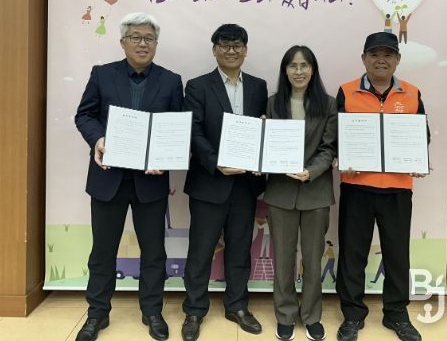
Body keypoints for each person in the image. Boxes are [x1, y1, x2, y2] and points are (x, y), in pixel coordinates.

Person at [74, 12, 183, 341]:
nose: (142, 43)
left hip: (151, 181)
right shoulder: (102, 74)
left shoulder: (171, 80)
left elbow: (177, 128)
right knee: (102, 251)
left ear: (156, 44)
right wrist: (98, 139)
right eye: (135, 37)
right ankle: (97, 313)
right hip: (108, 179)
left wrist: (164, 156)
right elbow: (85, 115)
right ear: (123, 42)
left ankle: (152, 311)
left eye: (149, 38)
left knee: (154, 251)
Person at [335, 31, 429, 341]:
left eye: (388, 55)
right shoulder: (346, 91)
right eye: (374, 54)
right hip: (357, 186)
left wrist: (419, 159)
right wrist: (342, 156)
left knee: (397, 255)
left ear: (397, 60)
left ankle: (396, 315)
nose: (381, 60)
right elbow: (336, 136)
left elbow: (422, 135)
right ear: (364, 58)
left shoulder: (412, 93)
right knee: (353, 254)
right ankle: (352, 315)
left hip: (398, 189)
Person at [181, 24, 268, 341]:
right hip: (209, 182)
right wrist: (217, 162)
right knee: (201, 250)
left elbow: (262, 129)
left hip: (244, 186)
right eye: (225, 45)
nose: (231, 51)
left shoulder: (258, 87)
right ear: (214, 50)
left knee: (240, 249)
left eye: (237, 45)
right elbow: (194, 131)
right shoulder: (198, 86)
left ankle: (237, 306)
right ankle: (194, 310)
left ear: (246, 50)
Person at [263, 45, 337, 341]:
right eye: (292, 66)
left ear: (313, 70)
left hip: (315, 191)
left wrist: (311, 171)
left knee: (313, 259)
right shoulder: (273, 104)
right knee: (283, 259)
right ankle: (285, 314)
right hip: (280, 192)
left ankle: (311, 315)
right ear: (285, 71)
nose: (298, 71)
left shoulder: (328, 104)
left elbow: (328, 147)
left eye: (304, 65)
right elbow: (267, 144)